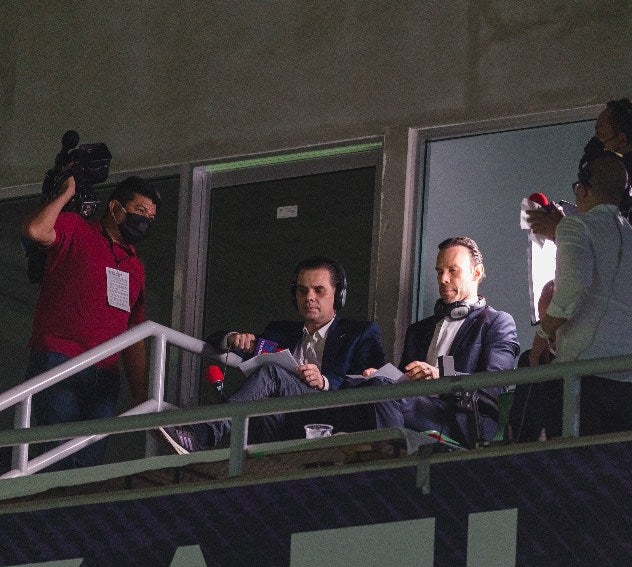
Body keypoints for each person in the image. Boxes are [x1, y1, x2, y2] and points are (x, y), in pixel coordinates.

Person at [159, 256, 385, 453]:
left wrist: (324, 381)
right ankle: (256, 470)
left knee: (271, 373)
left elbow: (371, 381)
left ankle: (202, 435)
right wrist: (233, 338)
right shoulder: (280, 331)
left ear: (338, 295)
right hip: (285, 421)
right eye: (302, 290)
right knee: (265, 404)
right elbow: (212, 340)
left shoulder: (360, 333)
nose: (309, 297)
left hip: (331, 416)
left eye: (319, 290)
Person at [22, 174, 160, 469]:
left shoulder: (134, 266)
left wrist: (139, 394)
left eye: (150, 216)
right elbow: (36, 230)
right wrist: (65, 193)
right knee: (53, 459)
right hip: (59, 360)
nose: (145, 220)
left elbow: (134, 333)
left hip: (105, 374)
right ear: (115, 207)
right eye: (139, 210)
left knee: (88, 464)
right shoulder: (77, 228)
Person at [529, 152, 632, 436]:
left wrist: (542, 339)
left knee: (573, 463)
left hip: (580, 386)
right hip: (631, 392)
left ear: (582, 189)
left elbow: (573, 289)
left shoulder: (574, 226)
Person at [369, 236, 519, 448]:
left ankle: (390, 457)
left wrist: (441, 376)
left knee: (384, 393)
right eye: (439, 272)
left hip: (462, 419)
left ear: (476, 273)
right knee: (370, 387)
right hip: (415, 409)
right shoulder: (419, 330)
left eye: (452, 270)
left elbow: (495, 384)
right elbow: (403, 380)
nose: (443, 279)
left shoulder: (497, 322)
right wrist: (382, 376)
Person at [527, 97, 632, 267]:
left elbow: (611, 253)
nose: (595, 145)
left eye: (600, 136)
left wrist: (561, 230)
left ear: (622, 141)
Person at [508, 279, 561, 442]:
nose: (549, 334)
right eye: (542, 324)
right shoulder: (530, 360)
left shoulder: (588, 357)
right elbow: (520, 421)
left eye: (551, 324)